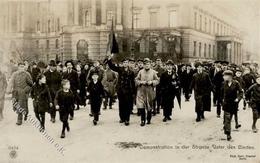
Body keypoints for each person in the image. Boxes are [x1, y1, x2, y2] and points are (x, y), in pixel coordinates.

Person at [107, 55, 135, 126]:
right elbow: (112, 67)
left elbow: (132, 82)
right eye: (124, 62)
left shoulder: (131, 72)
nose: (125, 63)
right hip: (121, 90)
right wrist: (109, 59)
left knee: (128, 105)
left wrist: (133, 92)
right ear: (122, 63)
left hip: (128, 91)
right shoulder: (120, 69)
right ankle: (122, 118)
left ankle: (127, 119)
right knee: (121, 104)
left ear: (128, 63)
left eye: (126, 62)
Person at [135, 58, 159, 126]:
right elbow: (136, 80)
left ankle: (149, 118)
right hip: (141, 91)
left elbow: (157, 80)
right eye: (145, 64)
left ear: (150, 64)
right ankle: (142, 120)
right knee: (141, 106)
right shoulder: (140, 72)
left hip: (150, 91)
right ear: (143, 65)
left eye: (148, 64)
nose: (146, 65)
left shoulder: (153, 72)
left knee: (149, 106)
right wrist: (141, 82)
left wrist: (152, 82)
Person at [221, 70, 243, 141]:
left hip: (233, 104)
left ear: (229, 76)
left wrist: (238, 99)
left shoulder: (236, 83)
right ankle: (228, 134)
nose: (223, 77)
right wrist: (221, 101)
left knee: (229, 119)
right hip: (226, 104)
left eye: (225, 76)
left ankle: (226, 128)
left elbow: (241, 92)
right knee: (227, 119)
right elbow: (220, 93)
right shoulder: (223, 83)